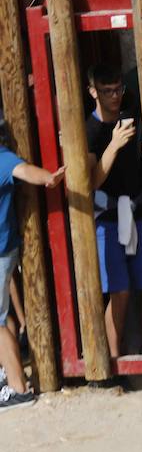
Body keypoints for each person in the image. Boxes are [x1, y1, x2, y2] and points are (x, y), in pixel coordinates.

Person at [85, 63, 142, 359]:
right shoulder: (89, 129)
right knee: (119, 292)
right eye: (107, 91)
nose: (114, 96)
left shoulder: (133, 121)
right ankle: (115, 362)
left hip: (140, 212)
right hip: (106, 218)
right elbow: (92, 180)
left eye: (118, 89)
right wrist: (114, 145)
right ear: (93, 92)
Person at [0, 113, 63, 411]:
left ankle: (18, 389)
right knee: (2, 316)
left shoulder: (2, 158)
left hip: (0, 253)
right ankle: (7, 376)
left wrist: (50, 177)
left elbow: (26, 171)